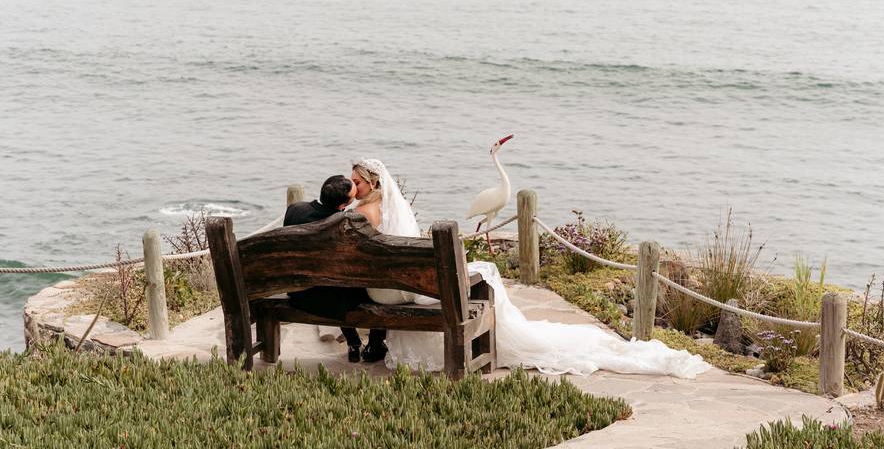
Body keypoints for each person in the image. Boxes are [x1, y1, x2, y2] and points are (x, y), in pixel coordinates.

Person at [350, 157, 712, 379]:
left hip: (379, 288)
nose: (352, 189)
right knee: (487, 272)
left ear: (373, 184)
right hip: (399, 288)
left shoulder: (357, 215)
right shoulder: (383, 211)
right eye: (351, 184)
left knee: (479, 270)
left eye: (356, 183)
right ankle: (490, 339)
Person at [284, 174, 385, 363]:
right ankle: (375, 345)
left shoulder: (294, 210)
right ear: (342, 206)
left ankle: (353, 342)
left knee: (334, 283)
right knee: (376, 291)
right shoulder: (341, 222)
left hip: (298, 293)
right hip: (330, 299)